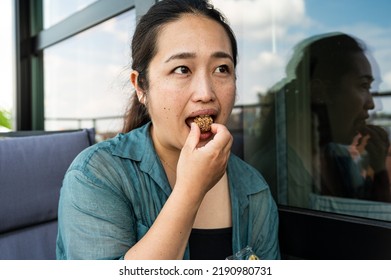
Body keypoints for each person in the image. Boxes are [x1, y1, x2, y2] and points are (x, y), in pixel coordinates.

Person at [56, 0, 280, 260]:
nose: (205, 93)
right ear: (141, 87)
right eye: (182, 69)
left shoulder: (254, 189)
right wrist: (190, 190)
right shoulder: (96, 175)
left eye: (221, 69)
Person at [251, 32, 391, 209]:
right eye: (363, 86)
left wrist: (378, 168)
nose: (372, 104)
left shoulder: (340, 158)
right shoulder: (278, 172)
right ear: (320, 92)